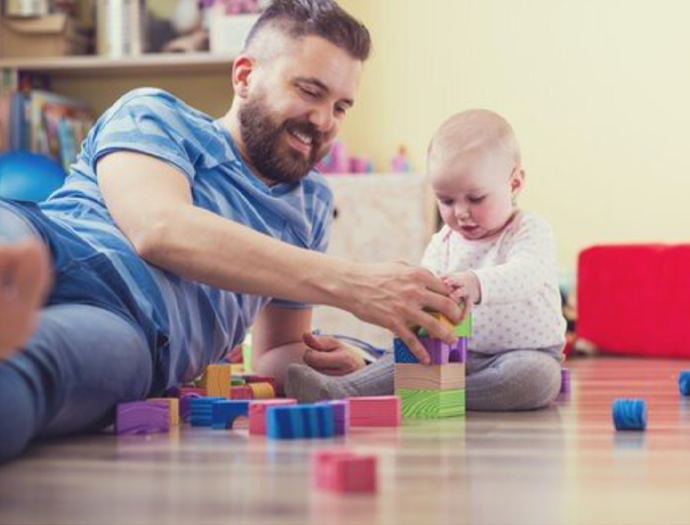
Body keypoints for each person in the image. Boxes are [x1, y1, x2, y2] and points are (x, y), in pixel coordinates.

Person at [0, 0, 463, 463]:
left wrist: (342, 367)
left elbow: (274, 352)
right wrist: (353, 283)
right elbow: (159, 228)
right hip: (51, 240)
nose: (324, 121)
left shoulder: (311, 205)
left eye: (340, 107)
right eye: (309, 90)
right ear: (244, 76)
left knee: (34, 368)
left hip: (137, 329)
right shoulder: (156, 114)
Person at [286, 110, 567, 411]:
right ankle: (342, 390)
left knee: (535, 379)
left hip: (524, 353)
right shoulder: (443, 241)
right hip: (452, 351)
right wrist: (412, 289)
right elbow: (425, 291)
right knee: (406, 355)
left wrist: (476, 283)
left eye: (475, 198)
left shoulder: (529, 230)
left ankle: (442, 394)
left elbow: (528, 274)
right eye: (446, 200)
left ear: (514, 184)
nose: (460, 212)